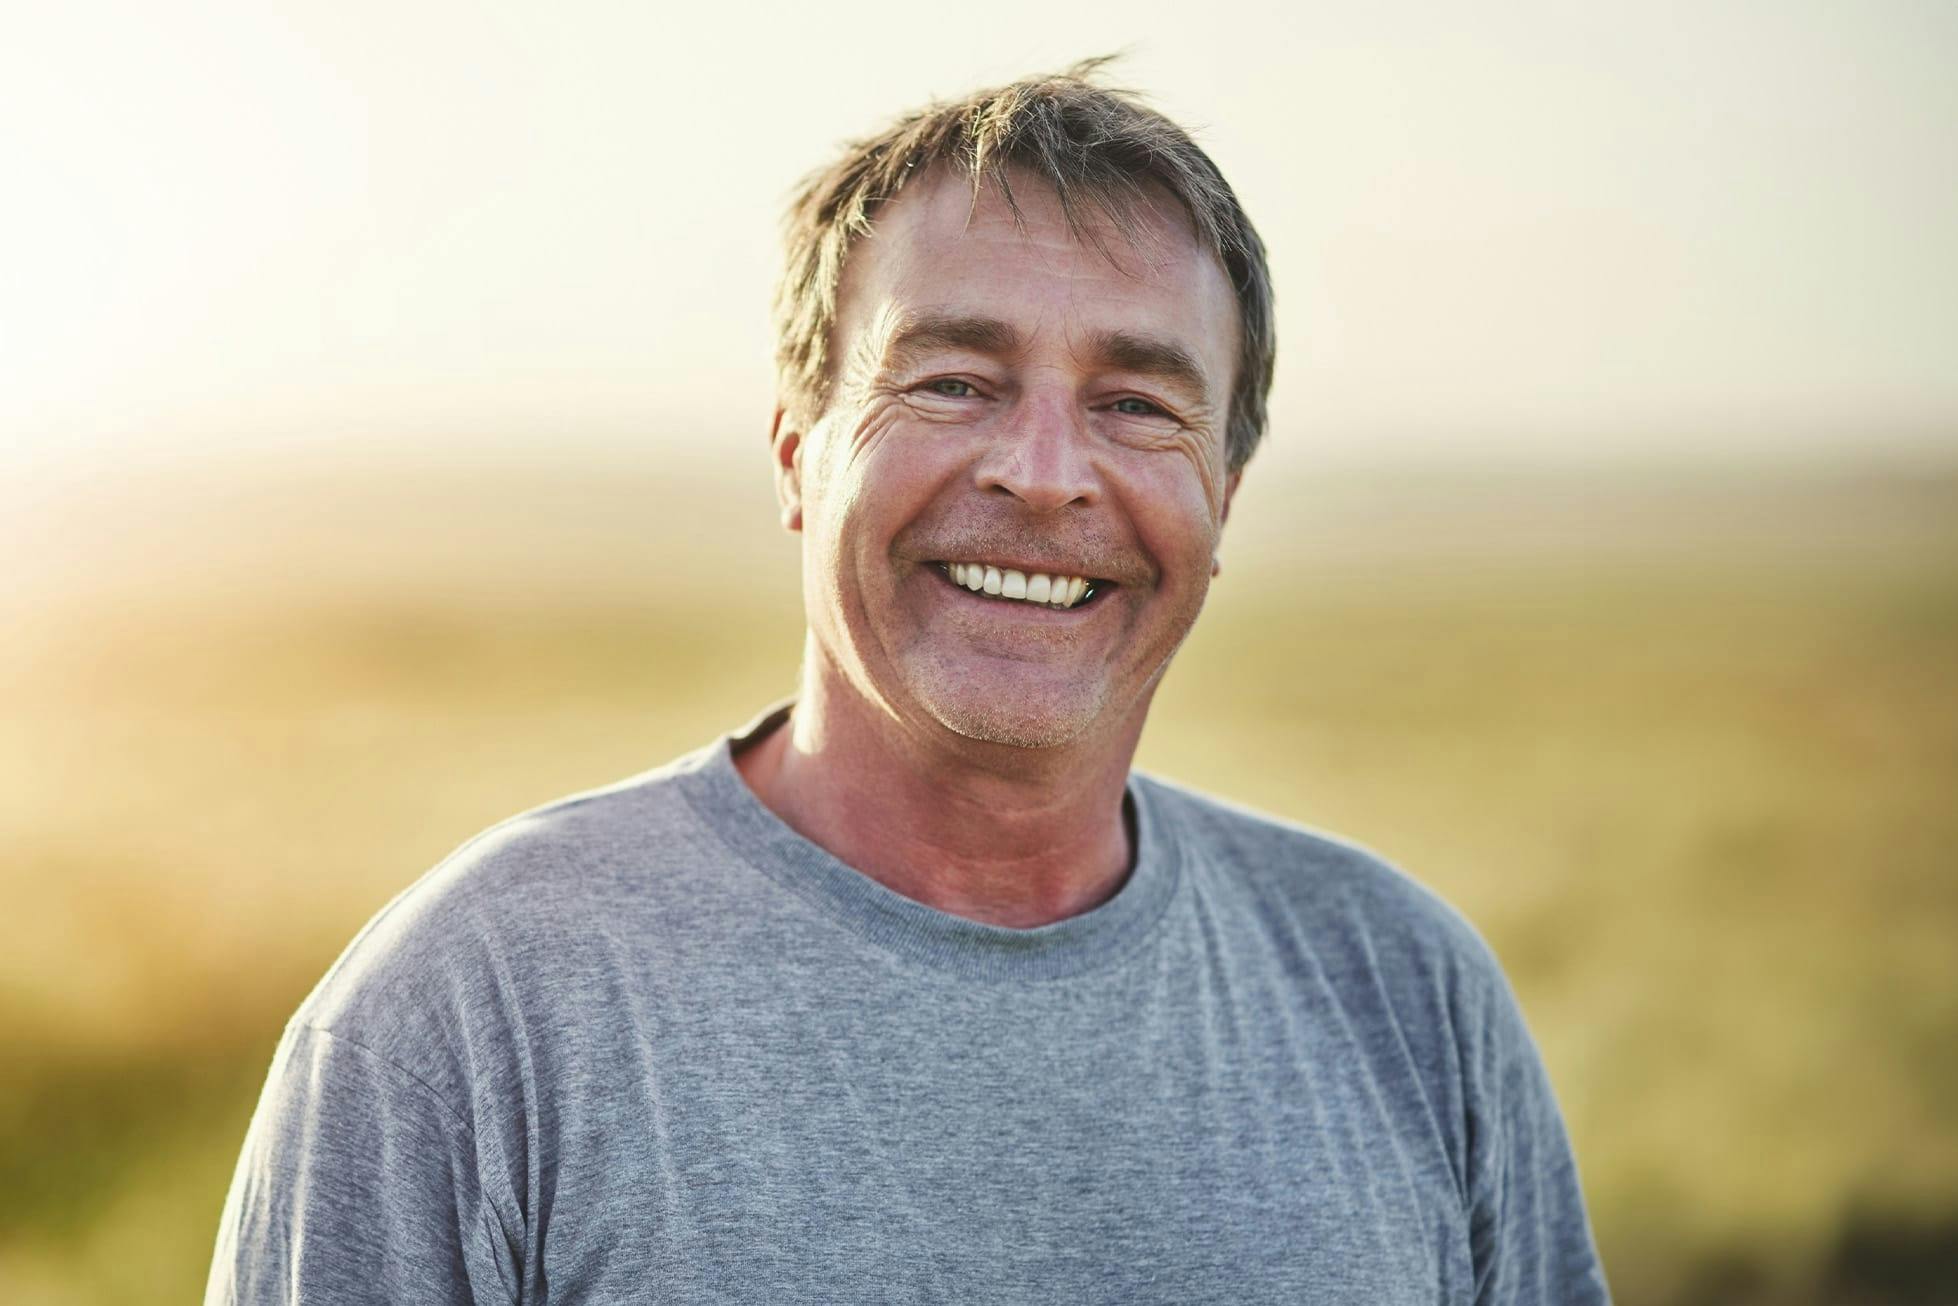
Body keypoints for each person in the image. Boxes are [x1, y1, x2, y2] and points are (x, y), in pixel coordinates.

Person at [205, 62, 1611, 1304]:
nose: (1044, 473)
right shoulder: (466, 1018)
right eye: (951, 381)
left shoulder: (1401, 991)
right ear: (794, 449)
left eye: (1134, 403)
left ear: (1224, 495)